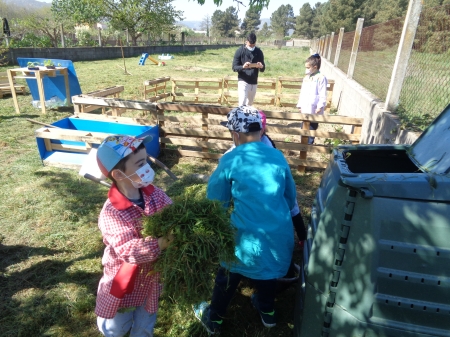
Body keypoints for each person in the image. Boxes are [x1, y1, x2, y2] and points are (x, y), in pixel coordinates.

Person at [194, 106, 297, 334]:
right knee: (268, 274)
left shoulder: (231, 159)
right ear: (261, 131)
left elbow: (215, 201)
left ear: (235, 134)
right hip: (278, 234)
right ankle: (268, 313)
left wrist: (217, 225)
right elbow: (290, 197)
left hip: (244, 236)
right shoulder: (277, 156)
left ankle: (215, 319)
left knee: (228, 274)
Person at [95, 134, 173, 337]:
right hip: (124, 281)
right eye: (140, 164)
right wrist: (161, 243)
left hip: (151, 278)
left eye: (146, 160)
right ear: (119, 175)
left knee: (144, 323)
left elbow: (172, 213)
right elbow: (127, 250)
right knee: (116, 327)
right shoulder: (112, 212)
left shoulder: (154, 194)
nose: (147, 167)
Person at [297, 53, 328, 145]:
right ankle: (303, 143)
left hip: (314, 107)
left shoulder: (321, 78)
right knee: (303, 125)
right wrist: (300, 104)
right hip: (305, 106)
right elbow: (302, 92)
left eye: (308, 67)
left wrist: (320, 106)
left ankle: (308, 145)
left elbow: (322, 93)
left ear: (315, 67)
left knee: (312, 126)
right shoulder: (307, 77)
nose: (306, 70)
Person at [232, 32, 265, 106]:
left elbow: (263, 69)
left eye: (253, 45)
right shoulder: (240, 51)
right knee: (242, 101)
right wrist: (243, 67)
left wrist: (261, 66)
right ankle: (240, 116)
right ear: (246, 42)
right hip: (243, 80)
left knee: (249, 104)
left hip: (254, 80)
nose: (252, 46)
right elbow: (234, 67)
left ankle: (247, 117)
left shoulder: (259, 52)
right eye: (250, 45)